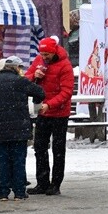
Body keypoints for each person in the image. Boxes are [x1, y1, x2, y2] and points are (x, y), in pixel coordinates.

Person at [0, 56, 45, 201]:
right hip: (19, 130)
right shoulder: (21, 82)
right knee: (18, 161)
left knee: (3, 161)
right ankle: (19, 192)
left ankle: (3, 192)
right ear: (16, 68)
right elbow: (40, 93)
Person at [25, 36, 74, 196]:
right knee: (39, 147)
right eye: (42, 54)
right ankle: (42, 182)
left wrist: (50, 104)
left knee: (58, 150)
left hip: (59, 113)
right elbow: (26, 79)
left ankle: (56, 184)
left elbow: (66, 91)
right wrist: (35, 77)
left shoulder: (65, 65)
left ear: (53, 52)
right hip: (43, 111)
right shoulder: (39, 60)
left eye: (46, 54)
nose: (43, 57)